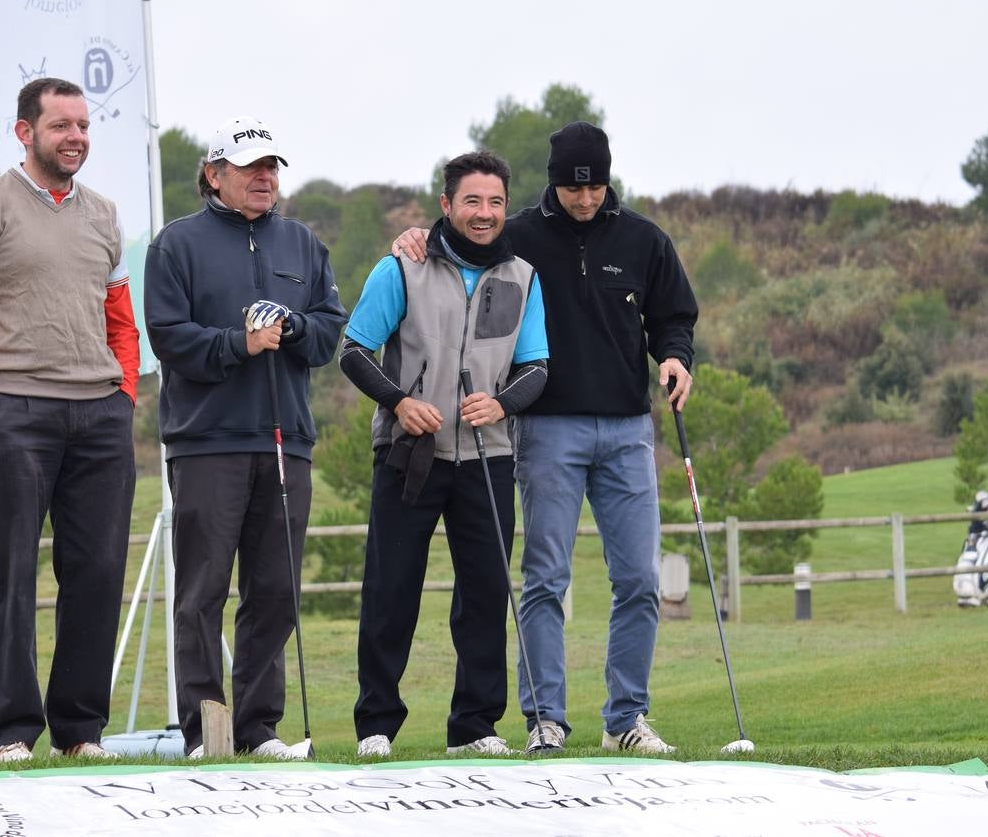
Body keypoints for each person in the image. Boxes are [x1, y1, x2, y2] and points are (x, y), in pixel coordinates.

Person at [393, 122, 698, 755]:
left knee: (639, 579)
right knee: (544, 578)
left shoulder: (644, 239)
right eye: (571, 188)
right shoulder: (519, 235)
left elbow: (674, 317)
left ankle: (626, 720)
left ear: (608, 181)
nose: (584, 200)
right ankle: (546, 720)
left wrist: (674, 356)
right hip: (545, 429)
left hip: (626, 428)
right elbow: (460, 232)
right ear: (554, 181)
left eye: (594, 188)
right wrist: (418, 233)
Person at [0, 77, 140, 762]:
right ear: (25, 131)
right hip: (17, 413)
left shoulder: (107, 214)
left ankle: (80, 732)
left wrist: (125, 397)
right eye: (62, 126)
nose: (76, 136)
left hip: (101, 417)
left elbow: (121, 319)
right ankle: (12, 734)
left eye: (83, 125)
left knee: (99, 572)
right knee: (12, 574)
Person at [143, 116, 346, 759]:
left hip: (287, 441)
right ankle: (206, 733)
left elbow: (327, 335)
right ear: (214, 174)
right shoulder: (176, 245)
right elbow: (169, 338)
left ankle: (259, 730)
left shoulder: (302, 245)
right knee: (202, 591)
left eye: (272, 167)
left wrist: (290, 327)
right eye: (250, 167)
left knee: (274, 591)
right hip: (207, 442)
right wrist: (240, 343)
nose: (265, 178)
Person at [341, 151, 548, 758]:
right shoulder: (400, 267)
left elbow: (537, 366)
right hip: (411, 452)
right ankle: (376, 724)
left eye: (495, 203)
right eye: (472, 201)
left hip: (488, 453)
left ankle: (475, 727)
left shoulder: (523, 277)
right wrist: (400, 403)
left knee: (486, 592)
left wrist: (503, 405)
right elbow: (354, 351)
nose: (484, 214)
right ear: (447, 205)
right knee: (391, 588)